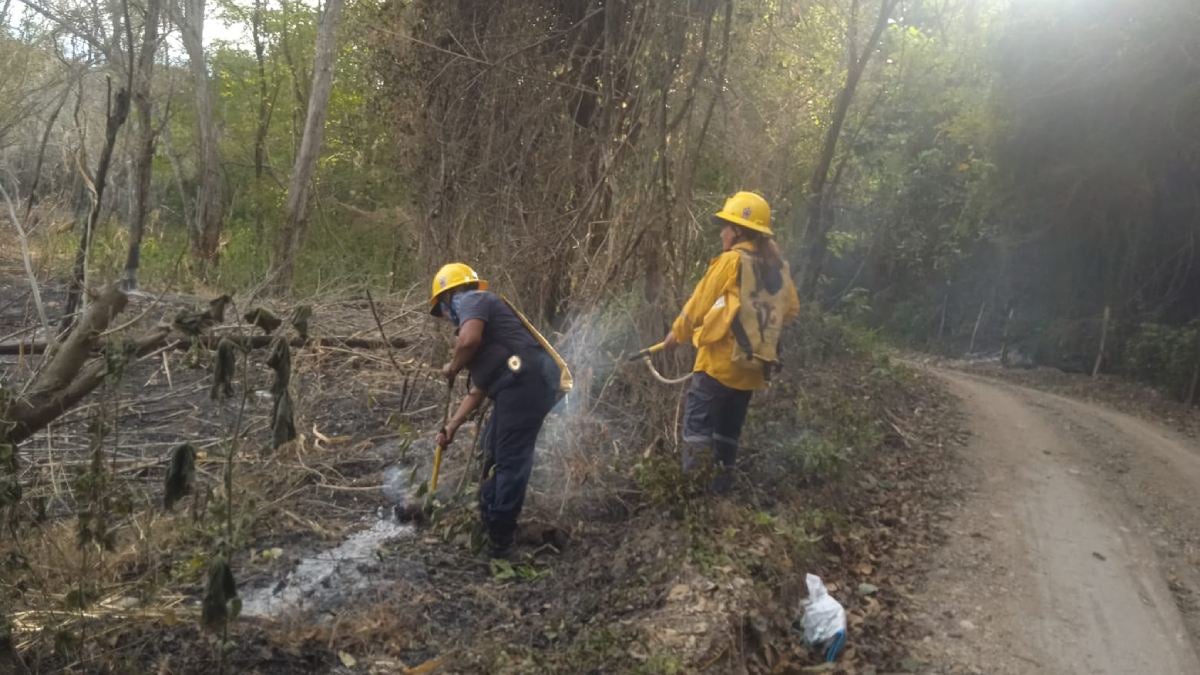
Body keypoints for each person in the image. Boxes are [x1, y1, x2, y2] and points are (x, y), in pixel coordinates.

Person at [661, 191, 800, 493]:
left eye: (726, 225)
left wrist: (676, 335)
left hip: (717, 366)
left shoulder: (731, 261)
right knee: (727, 436)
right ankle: (720, 496)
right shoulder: (778, 267)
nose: (722, 231)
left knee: (698, 431)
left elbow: (699, 303)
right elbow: (790, 309)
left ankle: (694, 502)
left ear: (738, 230)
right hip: (751, 371)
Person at [429, 263, 568, 558]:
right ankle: (489, 516)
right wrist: (450, 428)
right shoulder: (485, 333)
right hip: (516, 386)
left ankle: (500, 537)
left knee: (509, 458)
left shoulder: (473, 299)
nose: (444, 317)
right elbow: (478, 391)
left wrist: (452, 367)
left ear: (450, 296)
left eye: (441, 309)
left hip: (526, 383)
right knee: (490, 450)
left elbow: (468, 341)